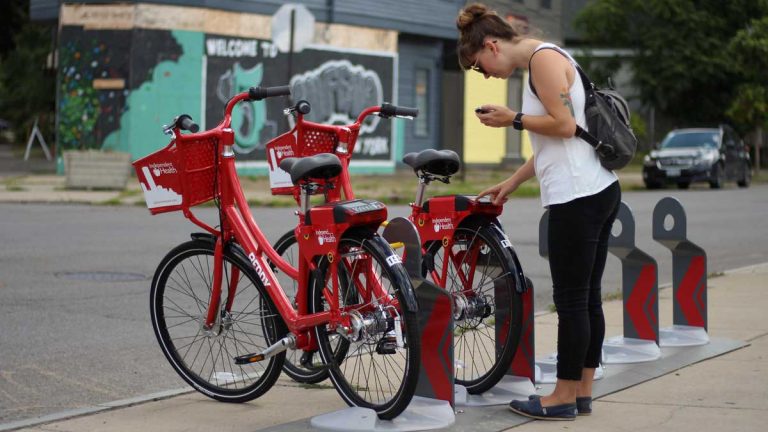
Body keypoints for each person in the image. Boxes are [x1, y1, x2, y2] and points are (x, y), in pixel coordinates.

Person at [456, 3, 621, 421]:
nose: (486, 75)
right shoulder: (547, 56)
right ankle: (581, 391)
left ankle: (562, 395)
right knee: (587, 299)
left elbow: (563, 126)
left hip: (578, 198)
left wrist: (514, 120)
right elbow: (562, 143)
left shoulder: (542, 61)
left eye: (480, 66)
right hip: (594, 189)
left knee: (571, 301)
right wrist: (511, 183)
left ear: (491, 45)